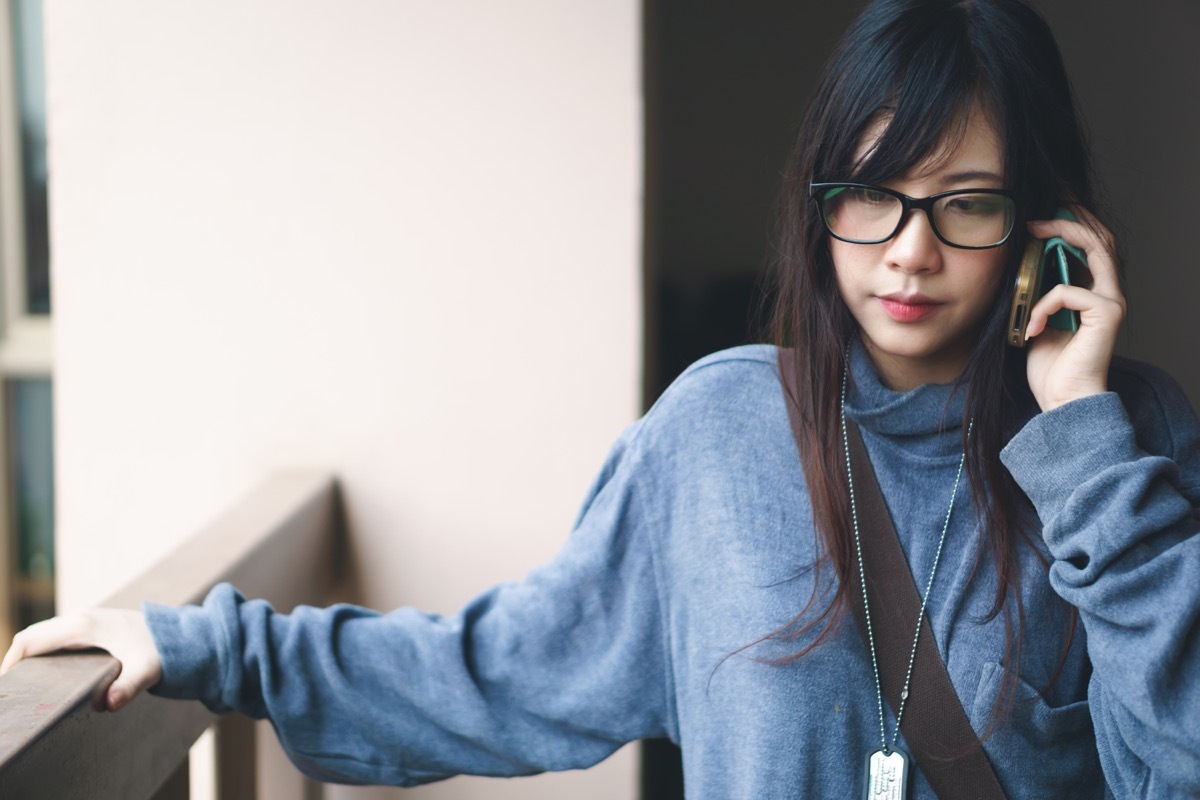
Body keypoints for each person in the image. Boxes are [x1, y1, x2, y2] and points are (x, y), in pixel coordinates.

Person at [5, 0, 1199, 796]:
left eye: (967, 203)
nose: (906, 252)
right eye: (870, 193)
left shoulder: (1123, 450)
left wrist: (1081, 437)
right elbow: (502, 666)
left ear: (1045, 225)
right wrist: (205, 644)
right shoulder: (718, 436)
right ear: (819, 197)